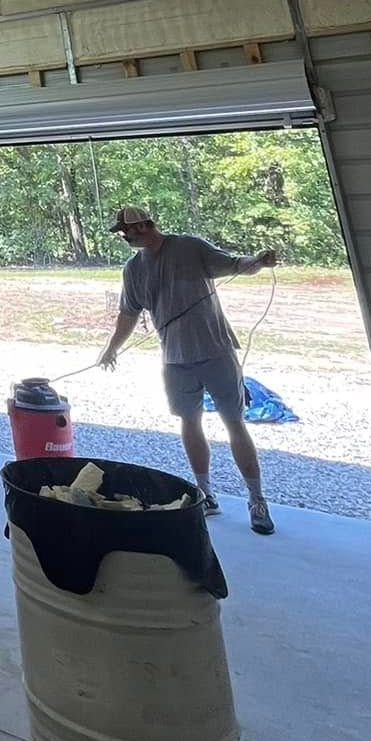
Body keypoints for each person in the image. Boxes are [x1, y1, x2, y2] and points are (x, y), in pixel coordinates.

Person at [98, 205, 278, 535]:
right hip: (175, 360)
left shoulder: (189, 247)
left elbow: (234, 264)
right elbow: (129, 313)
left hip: (217, 352)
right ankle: (205, 494)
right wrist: (111, 348)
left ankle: (256, 500)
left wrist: (259, 261)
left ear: (142, 226)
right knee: (189, 421)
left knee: (234, 422)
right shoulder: (133, 269)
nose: (124, 237)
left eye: (126, 231)